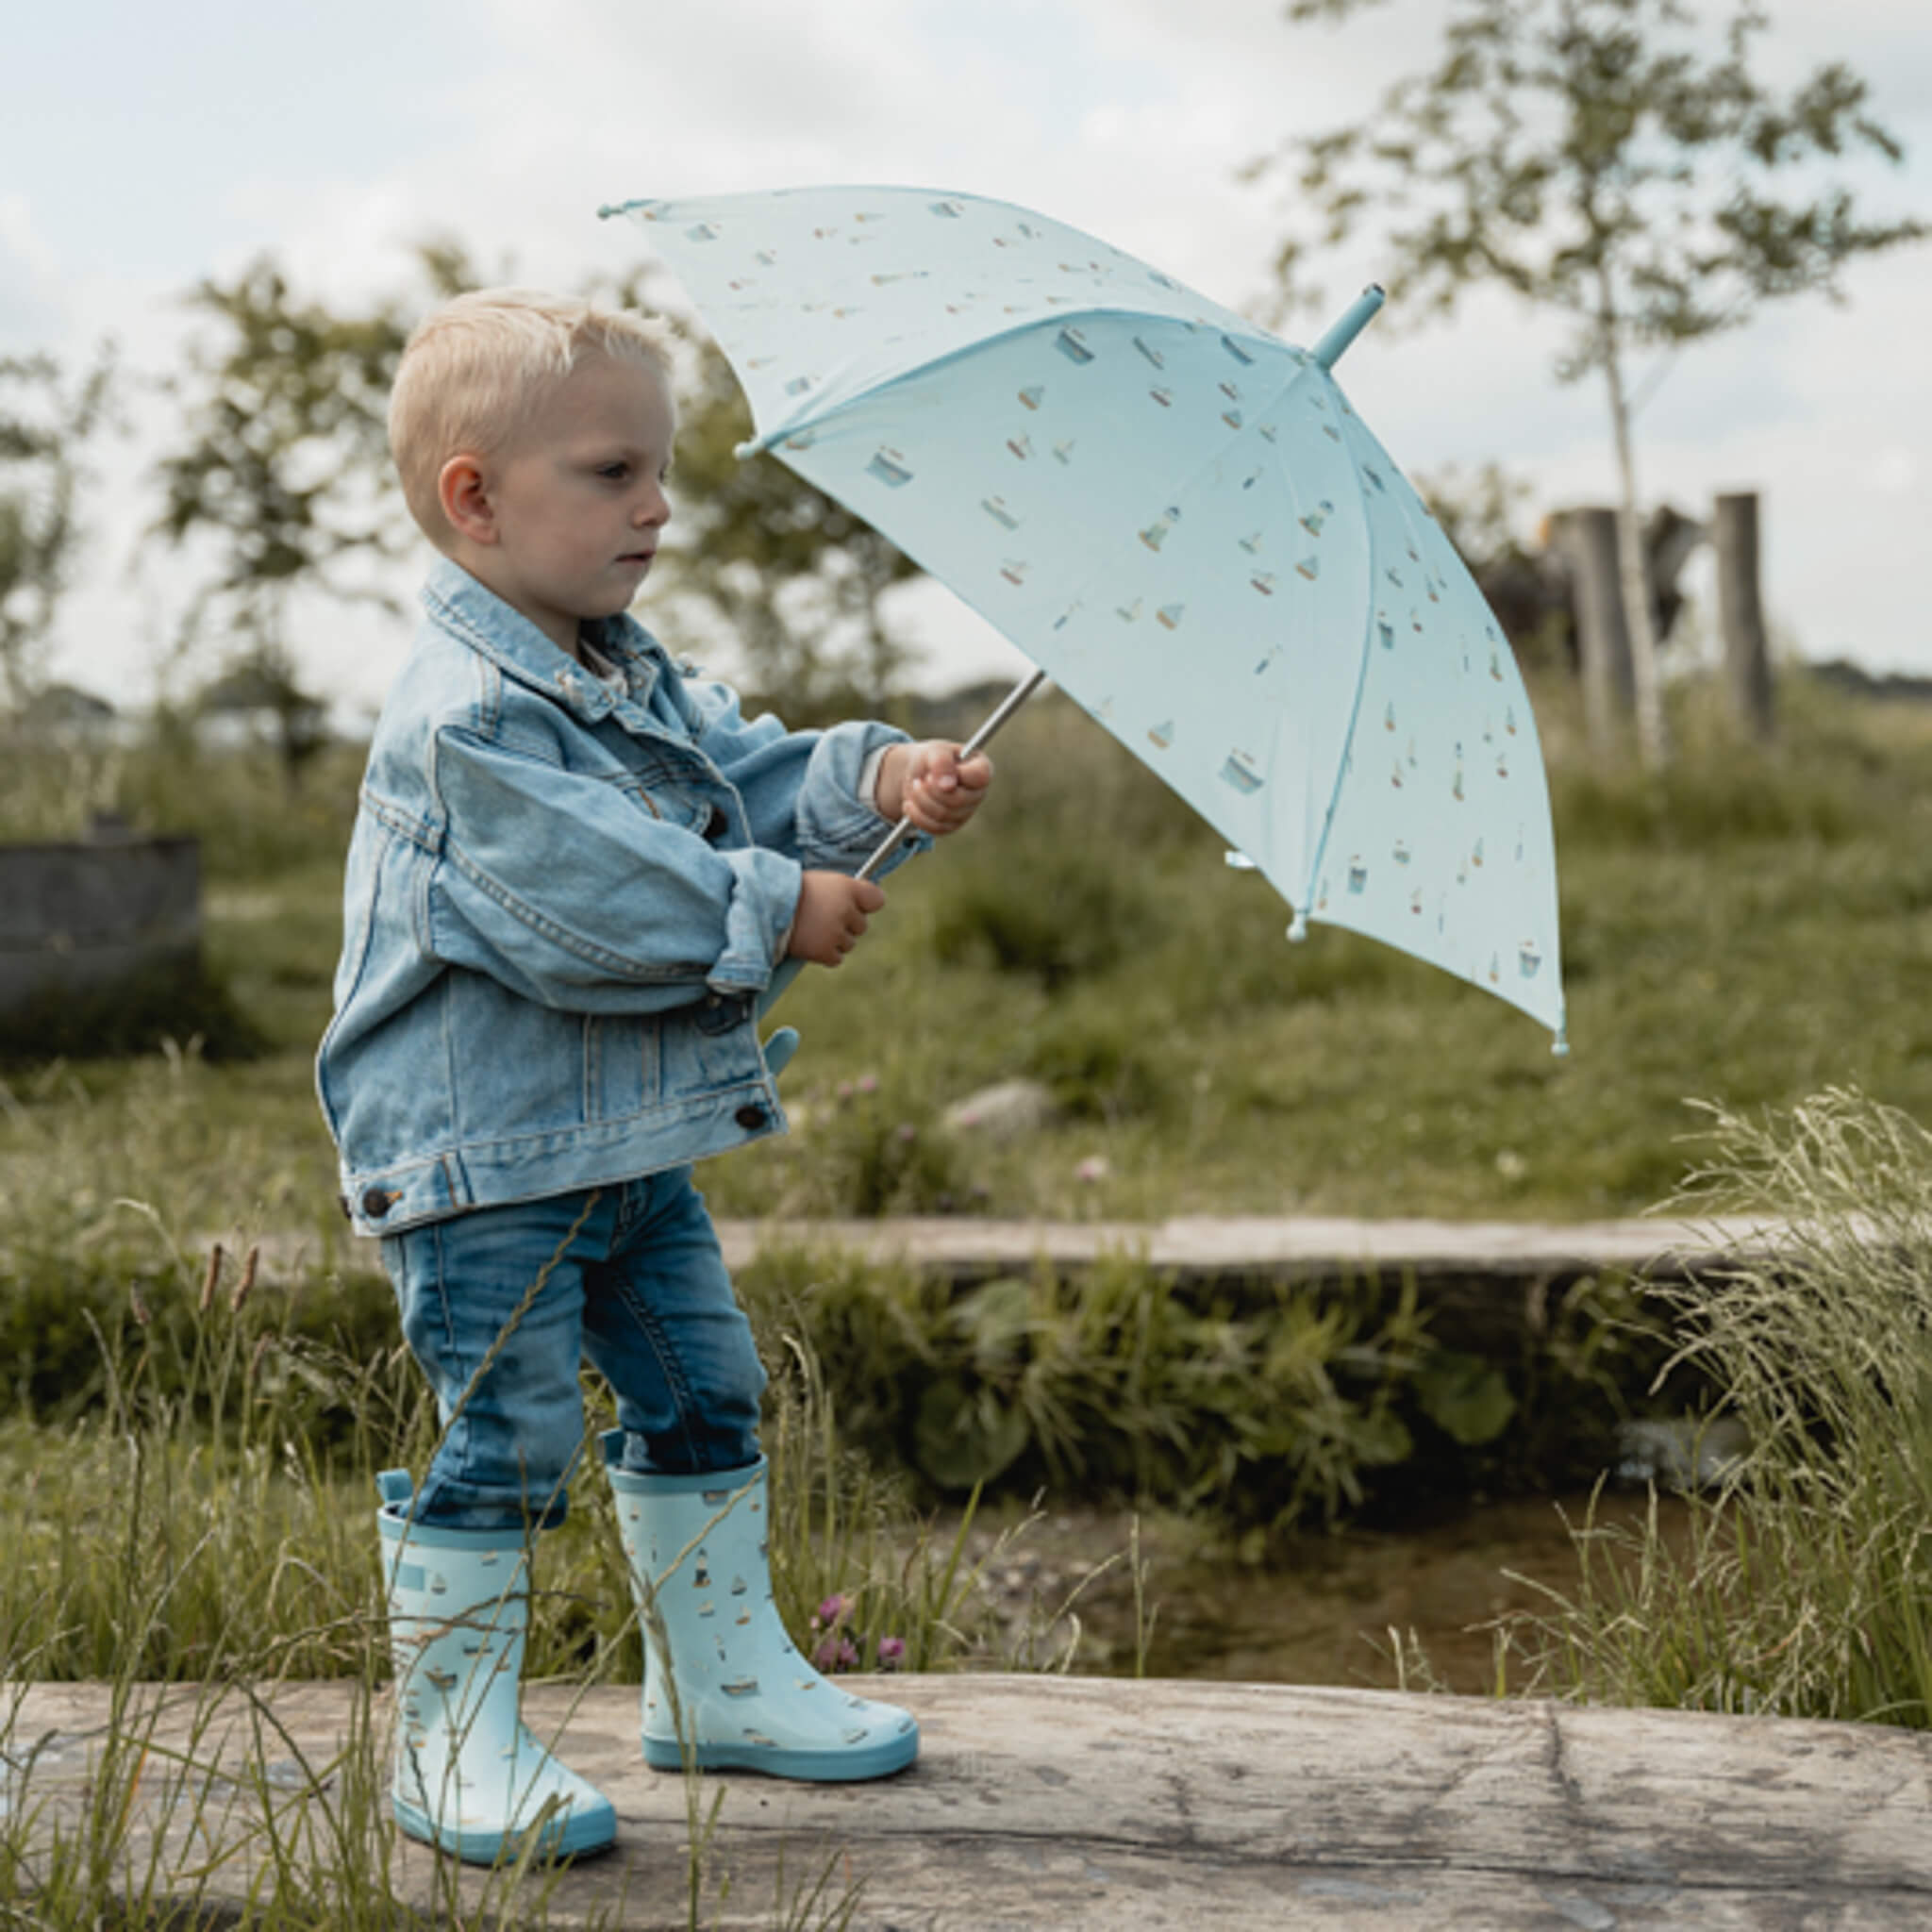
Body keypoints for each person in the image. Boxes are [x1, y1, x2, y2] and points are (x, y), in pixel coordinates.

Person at [315, 288, 991, 1865]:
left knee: (706, 1386)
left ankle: (719, 1676)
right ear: (474, 496)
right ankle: (452, 1738)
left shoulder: (617, 668)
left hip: (623, 1142)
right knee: (509, 1436)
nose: (659, 506)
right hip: (484, 1166)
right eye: (615, 473)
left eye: (658, 472)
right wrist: (775, 907)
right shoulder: (465, 720)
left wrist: (875, 777)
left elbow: (732, 772)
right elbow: (588, 901)